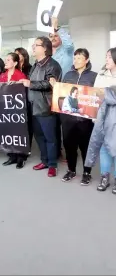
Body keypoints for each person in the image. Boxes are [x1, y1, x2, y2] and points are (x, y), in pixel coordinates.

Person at [24, 37, 62, 177]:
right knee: (39, 137)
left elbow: (51, 84)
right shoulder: (36, 64)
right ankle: (44, 160)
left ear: (45, 48)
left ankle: (52, 164)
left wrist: (30, 84)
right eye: (33, 45)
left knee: (50, 138)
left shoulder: (53, 65)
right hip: (34, 106)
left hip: (46, 107)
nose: (33, 47)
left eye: (36, 45)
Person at [60, 48, 97, 185]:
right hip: (68, 118)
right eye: (74, 58)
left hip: (85, 119)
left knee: (85, 147)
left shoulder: (94, 76)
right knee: (69, 145)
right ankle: (71, 170)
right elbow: (62, 94)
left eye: (79, 58)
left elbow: (97, 97)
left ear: (86, 60)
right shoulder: (68, 75)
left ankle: (87, 172)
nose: (75, 61)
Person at [49, 17, 75, 160]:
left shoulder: (67, 51)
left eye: (55, 36)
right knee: (54, 125)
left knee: (66, 125)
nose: (53, 38)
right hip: (49, 92)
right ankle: (57, 151)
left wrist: (57, 28)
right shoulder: (47, 55)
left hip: (64, 91)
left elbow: (70, 44)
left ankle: (70, 152)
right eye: (51, 36)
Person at [0, 53, 29, 169]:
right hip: (5, 109)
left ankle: (21, 158)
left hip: (17, 110)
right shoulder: (2, 76)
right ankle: (11, 156)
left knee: (19, 133)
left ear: (15, 63)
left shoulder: (21, 75)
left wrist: (18, 83)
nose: (5, 62)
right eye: (5, 60)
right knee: (8, 133)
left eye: (8, 60)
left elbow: (25, 92)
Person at [85, 86, 116, 194]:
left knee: (107, 152)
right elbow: (100, 117)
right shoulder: (107, 96)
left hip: (108, 129)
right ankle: (105, 177)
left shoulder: (106, 95)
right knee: (105, 151)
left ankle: (106, 179)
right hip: (107, 130)